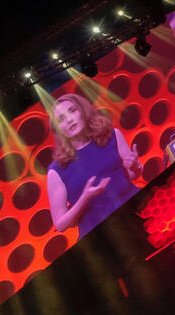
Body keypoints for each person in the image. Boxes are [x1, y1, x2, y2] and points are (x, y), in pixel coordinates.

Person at [46, 92, 142, 236]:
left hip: (136, 210)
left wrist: (135, 166)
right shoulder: (57, 170)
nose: (69, 120)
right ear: (57, 129)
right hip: (101, 233)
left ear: (83, 111)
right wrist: (84, 198)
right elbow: (60, 224)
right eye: (61, 119)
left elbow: (133, 175)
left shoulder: (112, 136)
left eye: (72, 111)